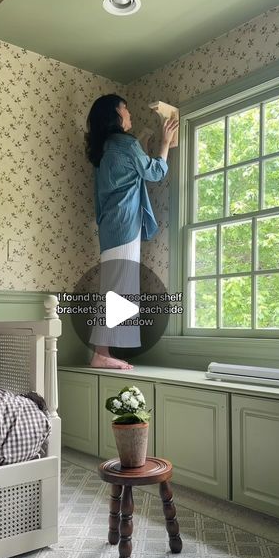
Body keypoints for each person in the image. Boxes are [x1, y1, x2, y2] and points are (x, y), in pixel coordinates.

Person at [85, 94, 178, 369]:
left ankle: (102, 351)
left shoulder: (105, 149)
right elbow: (154, 172)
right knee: (119, 286)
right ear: (114, 115)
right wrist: (163, 145)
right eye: (125, 108)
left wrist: (143, 144)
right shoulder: (124, 144)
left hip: (111, 224)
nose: (130, 113)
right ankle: (101, 353)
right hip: (125, 224)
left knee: (115, 284)